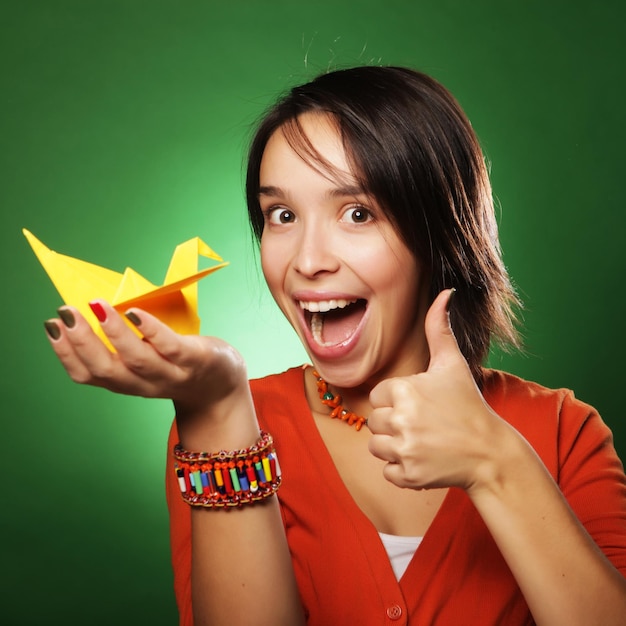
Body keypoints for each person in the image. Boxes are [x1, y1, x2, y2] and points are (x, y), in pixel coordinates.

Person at [43, 66, 626, 625]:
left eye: (356, 213)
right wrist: (217, 409)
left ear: (439, 230)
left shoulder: (560, 433)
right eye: (282, 214)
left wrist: (496, 465)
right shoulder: (231, 427)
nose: (308, 261)